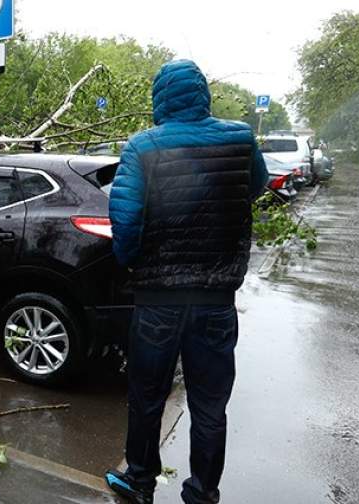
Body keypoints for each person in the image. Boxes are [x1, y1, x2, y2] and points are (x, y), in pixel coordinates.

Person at [104, 60, 267, 504]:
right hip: (216, 301)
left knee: (147, 397)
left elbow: (126, 220)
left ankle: (139, 481)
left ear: (160, 97)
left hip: (158, 301)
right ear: (203, 94)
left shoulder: (143, 147)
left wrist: (132, 263)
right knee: (210, 406)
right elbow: (255, 186)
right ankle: (202, 493)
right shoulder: (239, 138)